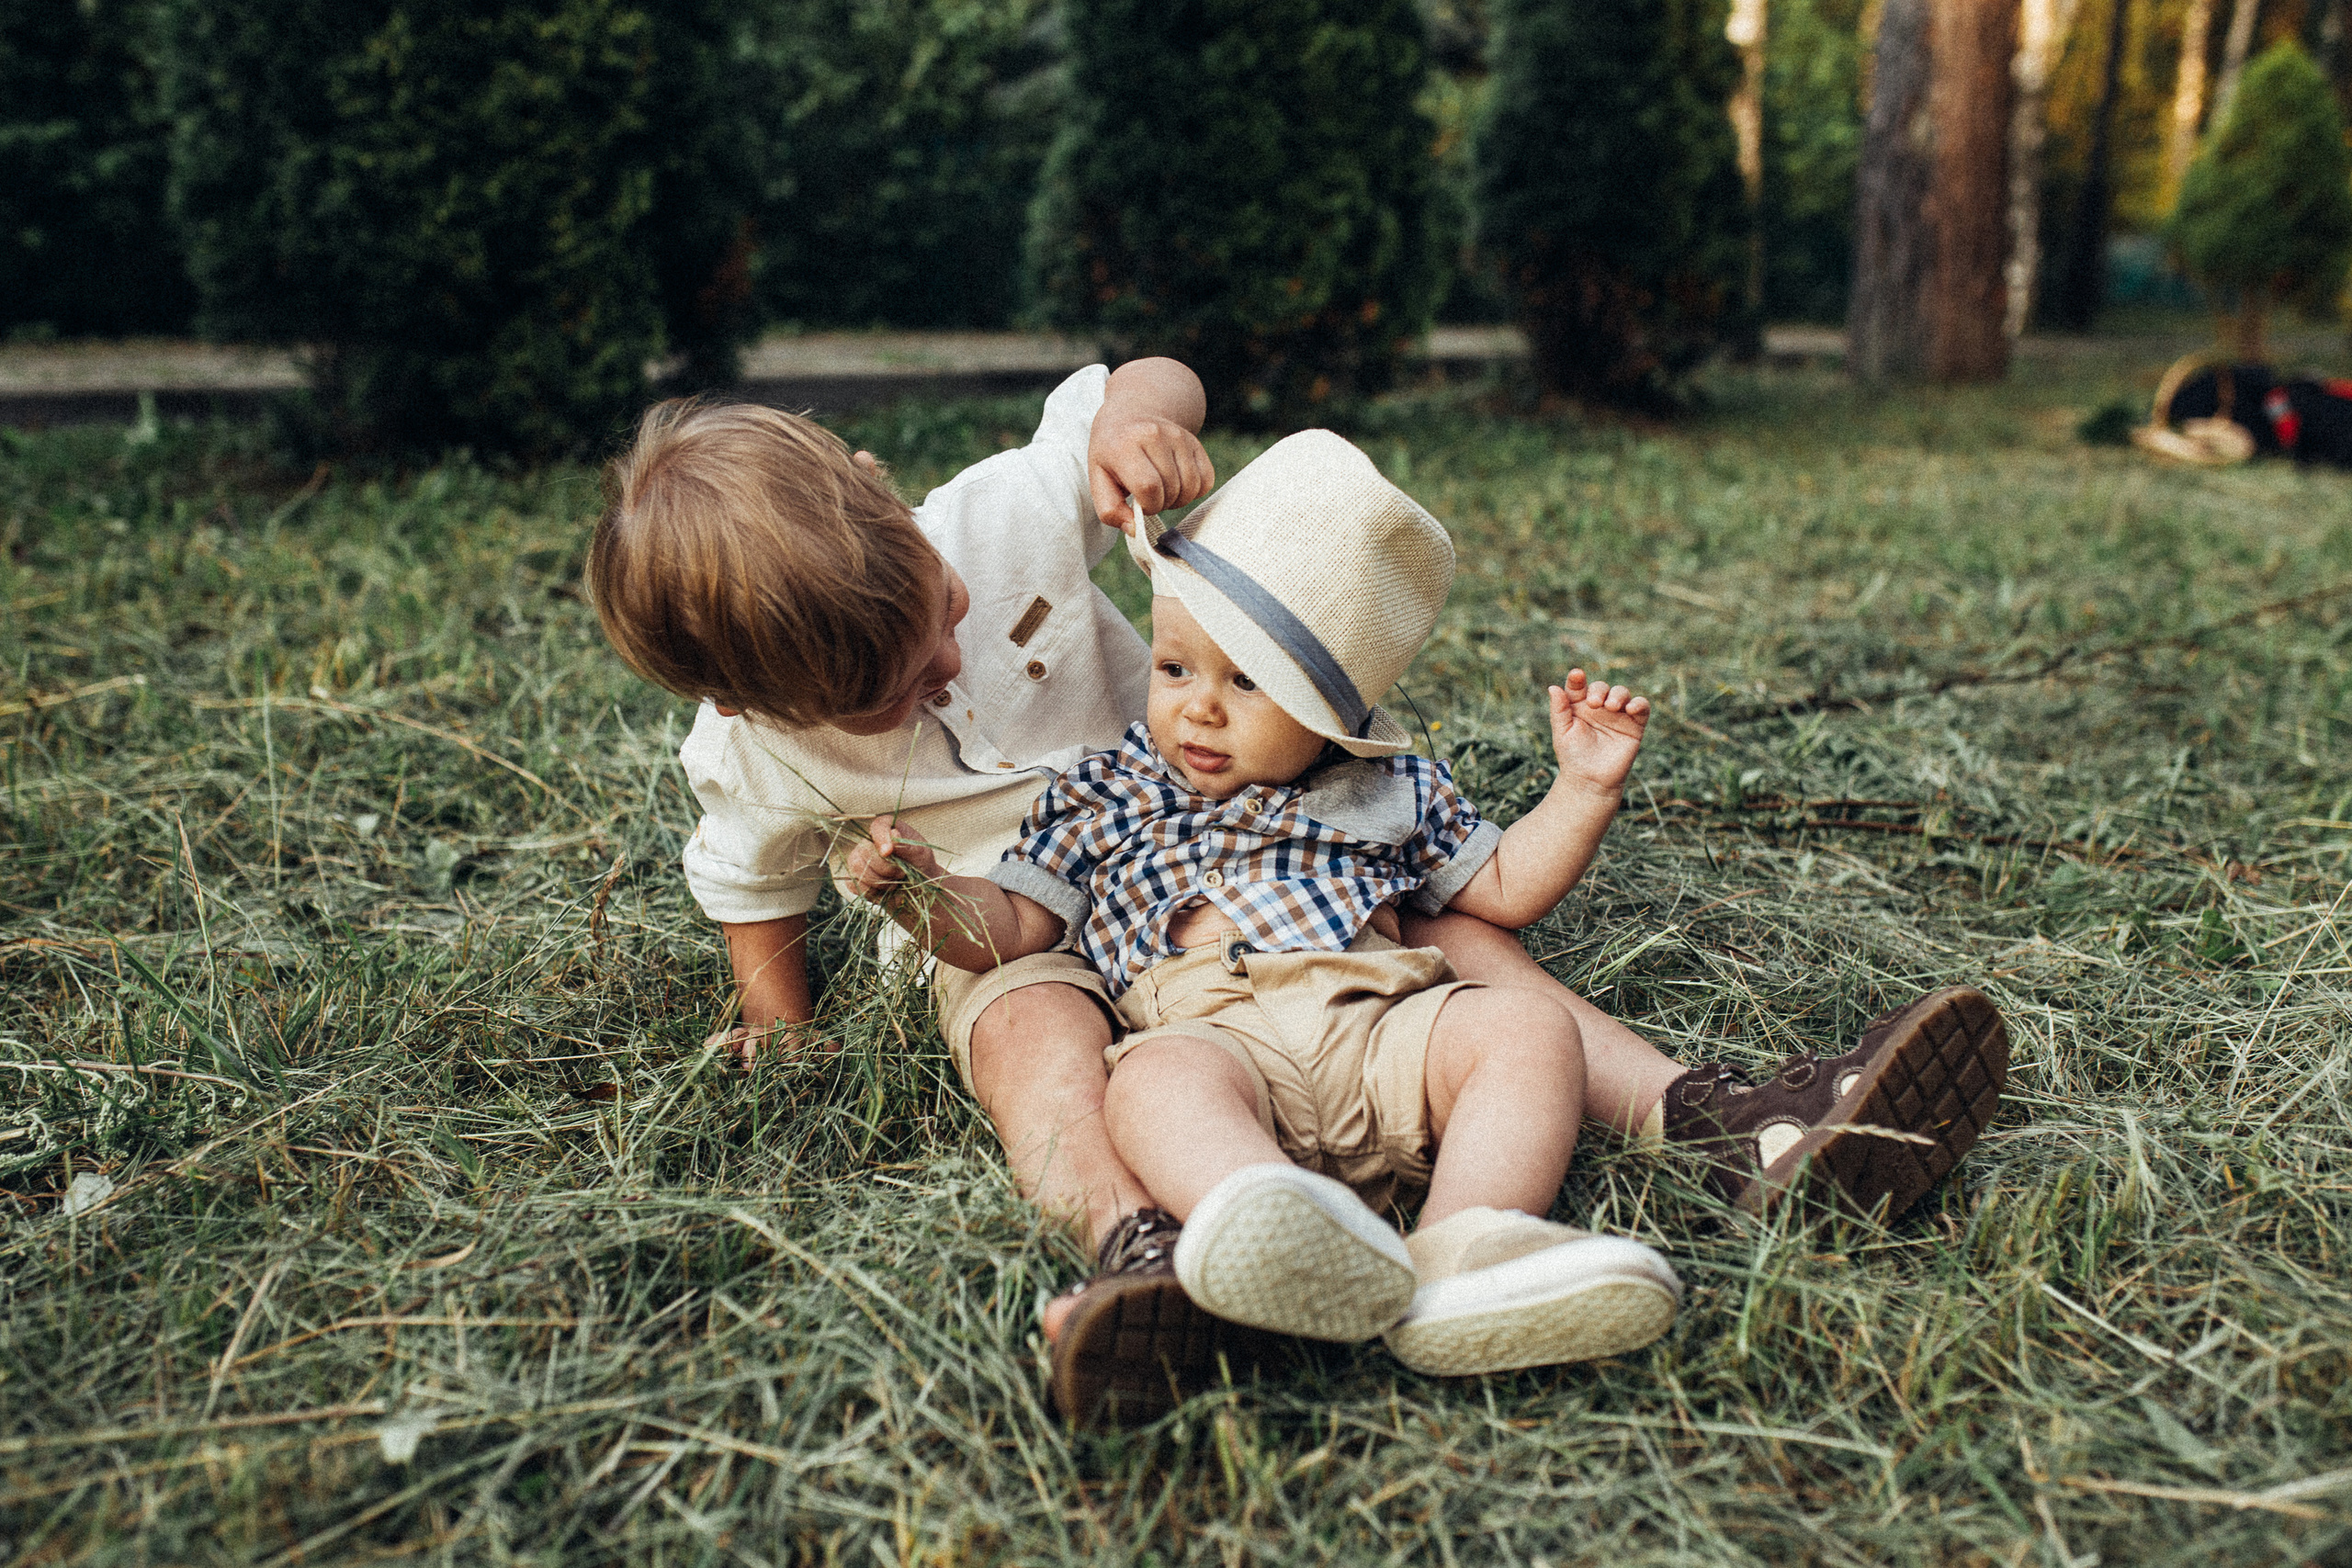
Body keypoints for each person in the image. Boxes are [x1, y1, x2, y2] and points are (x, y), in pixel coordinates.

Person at [588, 370, 2008, 1427]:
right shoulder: (746, 750)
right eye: (898, 691)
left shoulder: (996, 517)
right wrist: (781, 1011)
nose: (946, 666)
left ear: (883, 492)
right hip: (1022, 914)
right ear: (751, 701)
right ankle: (1149, 1249)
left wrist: (1146, 417)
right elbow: (746, 881)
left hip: (1273, 851)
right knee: (1041, 1033)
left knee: (1468, 952)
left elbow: (1115, 397)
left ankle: (1723, 1124)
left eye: (939, 615)